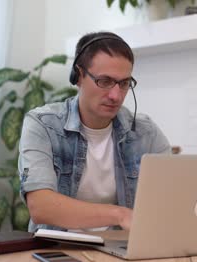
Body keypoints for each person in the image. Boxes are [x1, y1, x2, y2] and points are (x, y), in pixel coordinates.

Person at [18, 31, 171, 233]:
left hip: (121, 251)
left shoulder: (145, 132)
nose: (115, 95)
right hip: (56, 249)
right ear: (78, 76)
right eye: (105, 81)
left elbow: (172, 199)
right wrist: (120, 214)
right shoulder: (43, 125)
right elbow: (41, 206)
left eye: (124, 83)